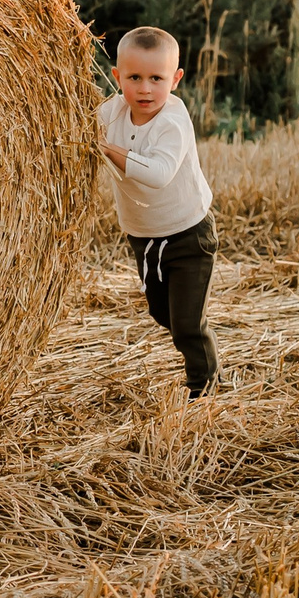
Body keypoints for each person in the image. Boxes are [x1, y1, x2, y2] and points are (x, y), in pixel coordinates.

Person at [97, 26, 218, 397]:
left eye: (156, 78)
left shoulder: (173, 121)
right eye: (134, 78)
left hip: (188, 234)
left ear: (176, 79)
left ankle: (205, 390)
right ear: (117, 77)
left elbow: (159, 174)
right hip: (143, 237)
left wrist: (105, 148)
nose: (145, 89)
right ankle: (190, 327)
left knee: (186, 326)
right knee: (161, 314)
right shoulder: (110, 113)